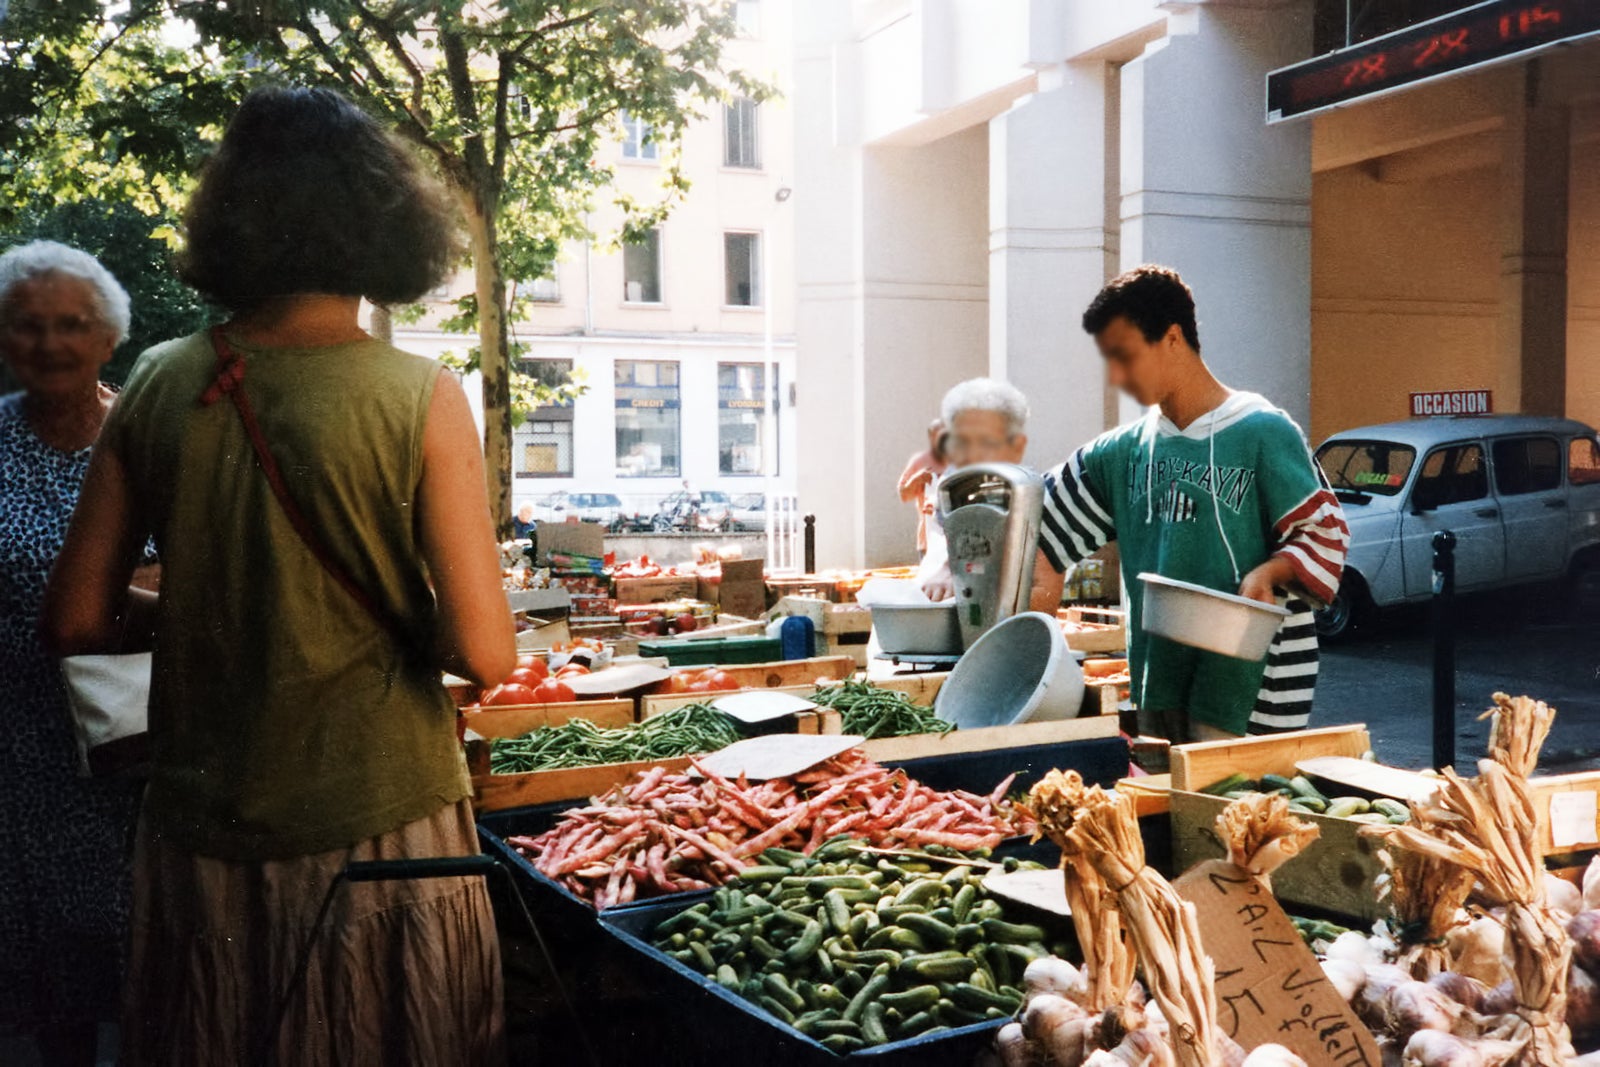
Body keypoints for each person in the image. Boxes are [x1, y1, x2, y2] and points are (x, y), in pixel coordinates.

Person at [42, 87, 516, 1066]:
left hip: (199, 828)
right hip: (382, 820)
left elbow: (78, 620)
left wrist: (214, 613)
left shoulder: (161, 383)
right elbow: (485, 652)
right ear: (382, 219)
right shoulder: (417, 394)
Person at [1029, 266, 1348, 741]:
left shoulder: (1264, 431)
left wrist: (1269, 573)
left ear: (1173, 338)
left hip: (1261, 691)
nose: (1117, 376)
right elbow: (1035, 529)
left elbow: (1324, 533)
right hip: (1159, 686)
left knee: (1243, 810)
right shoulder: (1119, 453)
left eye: (1126, 356)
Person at [0, 241, 141, 1067]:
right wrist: (131, 590)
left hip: (137, 753)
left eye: (71, 324)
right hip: (22, 753)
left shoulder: (152, 437)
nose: (50, 343)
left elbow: (200, 575)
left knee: (153, 972)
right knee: (54, 994)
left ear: (108, 336)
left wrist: (85, 601)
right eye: (28, 325)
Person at [918, 379, 1030, 601]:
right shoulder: (952, 487)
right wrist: (945, 568)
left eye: (987, 442)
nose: (972, 455)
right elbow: (947, 536)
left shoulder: (1027, 494)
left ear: (1017, 446)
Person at [897, 418, 947, 557]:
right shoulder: (920, 462)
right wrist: (917, 478)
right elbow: (903, 495)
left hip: (954, 541)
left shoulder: (958, 463)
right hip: (927, 542)